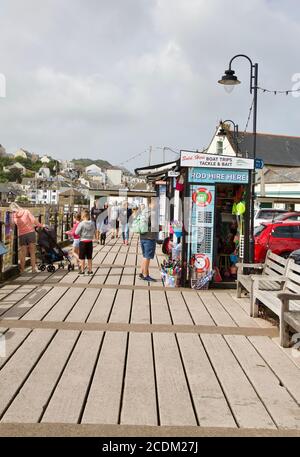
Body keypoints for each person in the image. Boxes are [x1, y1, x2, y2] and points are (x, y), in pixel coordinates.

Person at [9, 202, 43, 273]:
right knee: (32, 252)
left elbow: (12, 226)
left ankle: (22, 270)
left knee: (23, 253)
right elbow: (34, 221)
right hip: (30, 233)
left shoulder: (14, 216)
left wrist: (11, 216)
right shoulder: (26, 211)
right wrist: (41, 225)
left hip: (22, 235)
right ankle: (33, 269)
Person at [139, 199, 158, 282]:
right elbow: (154, 227)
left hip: (143, 237)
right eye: (156, 202)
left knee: (144, 256)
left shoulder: (144, 211)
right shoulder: (152, 213)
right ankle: (146, 275)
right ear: (151, 203)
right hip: (149, 238)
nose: (157, 204)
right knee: (147, 257)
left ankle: (142, 273)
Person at [75, 209, 96, 275]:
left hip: (83, 242)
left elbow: (76, 232)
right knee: (89, 257)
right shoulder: (92, 223)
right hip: (90, 242)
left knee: (82, 257)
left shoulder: (81, 224)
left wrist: (81, 234)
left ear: (83, 216)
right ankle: (90, 271)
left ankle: (82, 270)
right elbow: (94, 231)